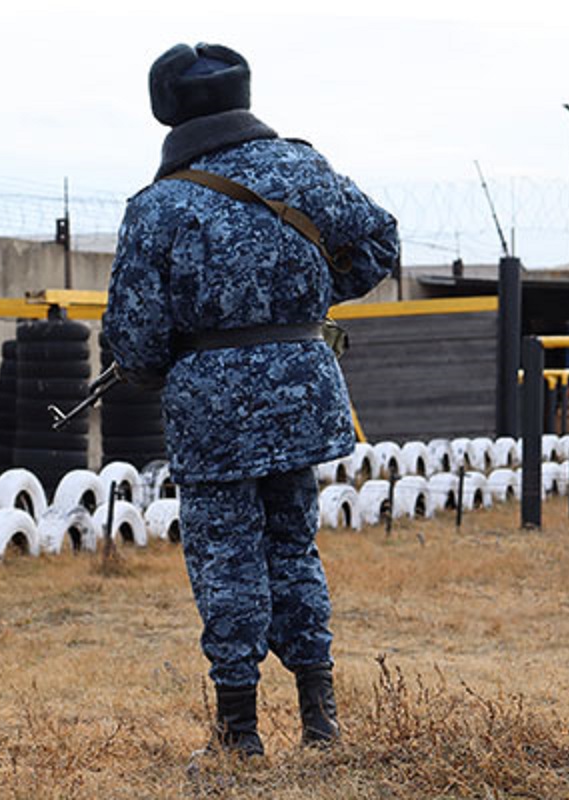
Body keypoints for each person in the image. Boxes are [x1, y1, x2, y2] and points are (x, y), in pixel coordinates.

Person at [102, 43, 399, 757]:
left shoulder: (159, 205)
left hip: (213, 410)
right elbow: (379, 243)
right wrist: (300, 308)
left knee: (226, 557)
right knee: (294, 547)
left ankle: (239, 734)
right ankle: (320, 722)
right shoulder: (304, 168)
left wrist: (162, 361)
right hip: (303, 395)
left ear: (165, 110)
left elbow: (136, 341)